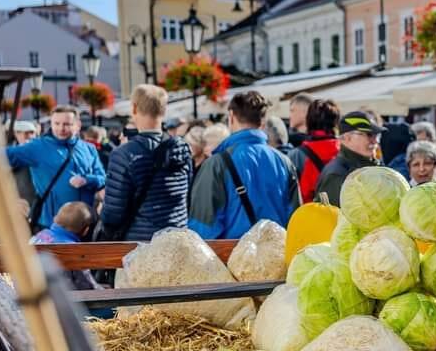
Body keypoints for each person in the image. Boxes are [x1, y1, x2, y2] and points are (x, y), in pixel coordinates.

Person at [188, 91, 300, 239]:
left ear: (231, 117)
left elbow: (203, 229)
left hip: (232, 257)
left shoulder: (216, 164)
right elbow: (295, 220)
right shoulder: (284, 161)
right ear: (263, 122)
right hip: (277, 255)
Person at [101, 84, 193, 241]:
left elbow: (113, 214)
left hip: (141, 245)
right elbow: (188, 192)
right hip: (178, 239)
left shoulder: (124, 154)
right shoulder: (182, 148)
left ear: (134, 108)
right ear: (164, 111)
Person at [6, 105, 105, 231]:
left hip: (86, 225)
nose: (60, 128)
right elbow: (3, 156)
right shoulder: (38, 147)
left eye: (66, 124)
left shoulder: (89, 149)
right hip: (50, 225)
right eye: (56, 123)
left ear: (77, 125)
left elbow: (102, 178)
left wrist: (87, 180)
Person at [315, 111, 385, 205]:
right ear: (347, 138)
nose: (375, 141)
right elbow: (332, 216)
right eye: (369, 135)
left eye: (377, 136)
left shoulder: (372, 165)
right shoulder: (336, 175)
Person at [29, 202, 102, 290]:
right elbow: (88, 284)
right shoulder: (74, 250)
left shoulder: (37, 237)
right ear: (86, 230)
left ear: (56, 218)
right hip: (61, 298)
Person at [289, 98, 341, 203]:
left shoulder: (296, 155)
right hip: (341, 214)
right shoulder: (345, 151)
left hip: (310, 214)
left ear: (308, 121)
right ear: (336, 122)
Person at [11, 120, 39, 208]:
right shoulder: (10, 154)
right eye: (20, 132)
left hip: (41, 203)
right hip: (18, 203)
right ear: (16, 134)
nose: (25, 136)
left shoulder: (43, 152)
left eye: (30, 132)